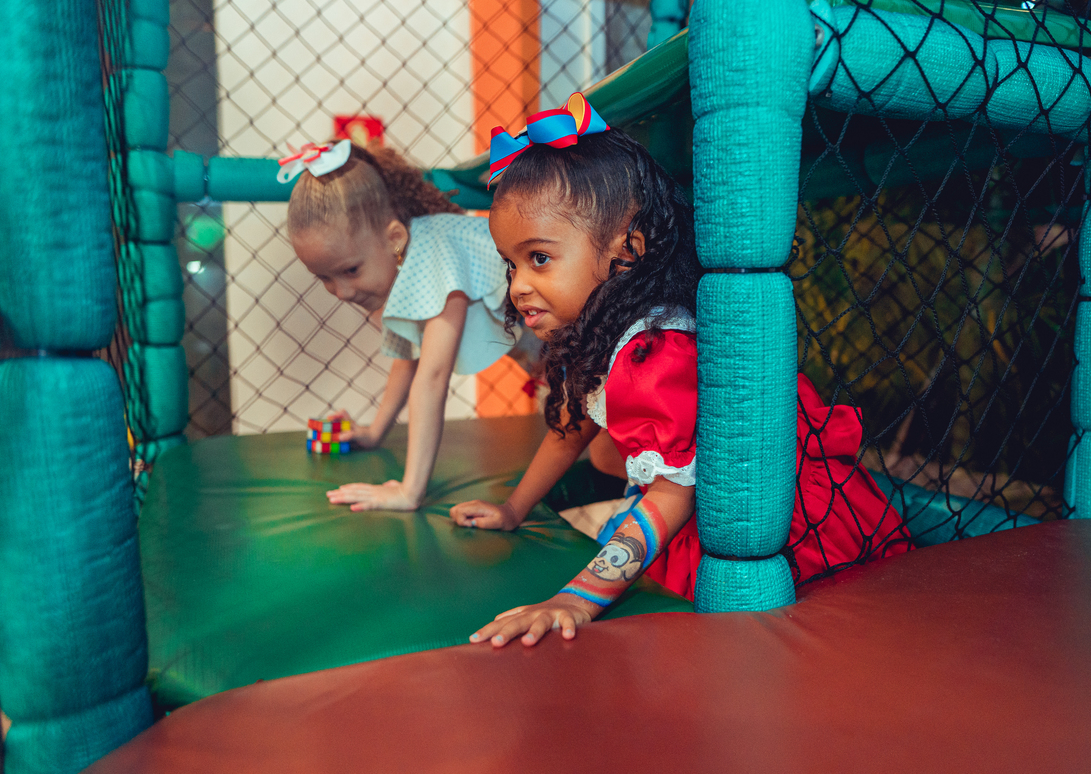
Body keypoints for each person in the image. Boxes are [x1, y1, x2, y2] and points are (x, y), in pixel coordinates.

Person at [449, 94, 912, 647]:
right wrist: (512, 508)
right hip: (698, 503)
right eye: (511, 263)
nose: (519, 284)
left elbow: (671, 496)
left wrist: (575, 598)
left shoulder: (653, 355)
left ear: (626, 253)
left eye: (539, 258)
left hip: (781, 522)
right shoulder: (604, 330)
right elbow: (571, 425)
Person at [282, 139, 520, 511]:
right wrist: (376, 432)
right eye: (323, 278)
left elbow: (432, 375)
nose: (341, 292)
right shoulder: (409, 256)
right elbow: (408, 356)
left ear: (394, 237)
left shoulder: (437, 256)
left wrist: (409, 491)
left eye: (350, 270)